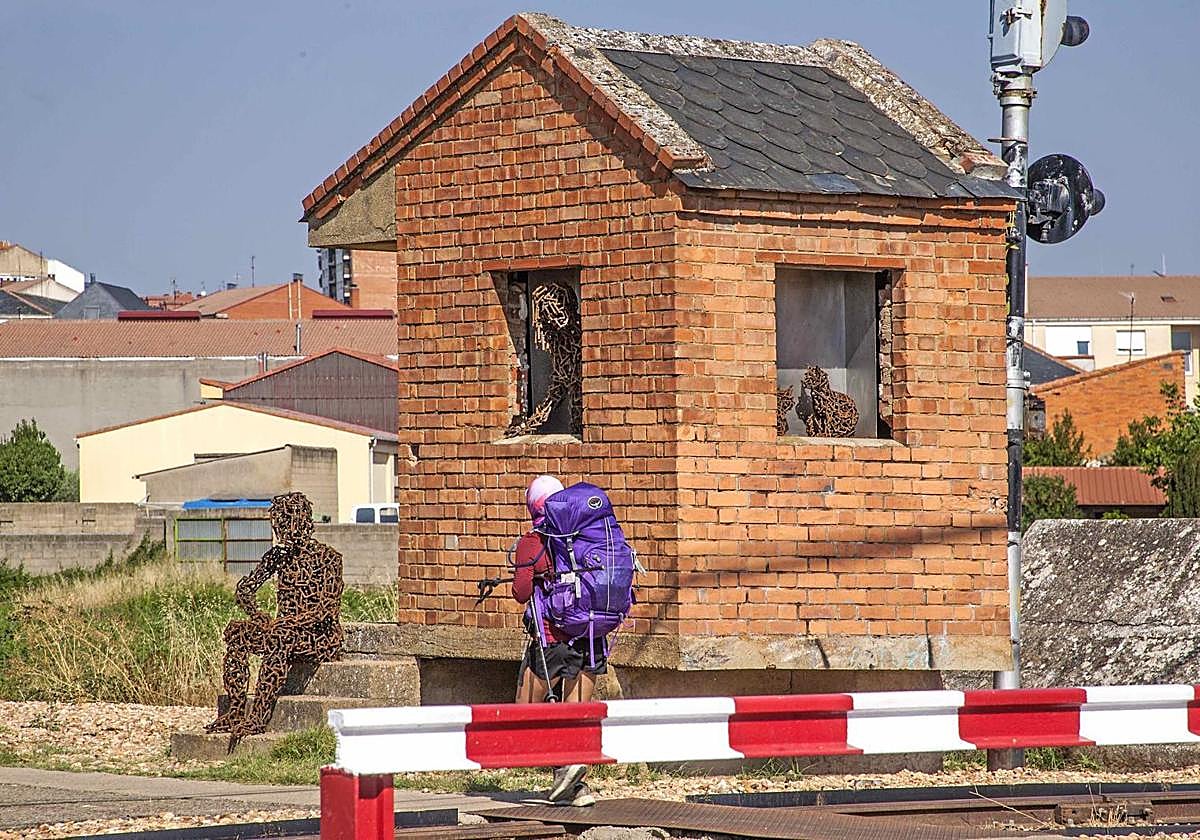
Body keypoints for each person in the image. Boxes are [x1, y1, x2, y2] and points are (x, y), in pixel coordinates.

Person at [206, 492, 343, 750]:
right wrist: (259, 617)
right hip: (286, 630)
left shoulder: (328, 558)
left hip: (319, 636)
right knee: (237, 632)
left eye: (286, 524)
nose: (281, 531)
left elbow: (326, 609)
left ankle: (257, 718)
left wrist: (287, 624)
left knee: (279, 638)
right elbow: (245, 589)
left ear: (303, 522)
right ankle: (235, 712)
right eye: (278, 525)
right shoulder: (277, 557)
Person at [512, 474, 600, 807]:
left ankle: (565, 774)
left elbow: (521, 593)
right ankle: (576, 787)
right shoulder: (586, 535)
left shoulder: (532, 542)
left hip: (551, 637)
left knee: (526, 713)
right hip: (592, 636)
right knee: (576, 712)